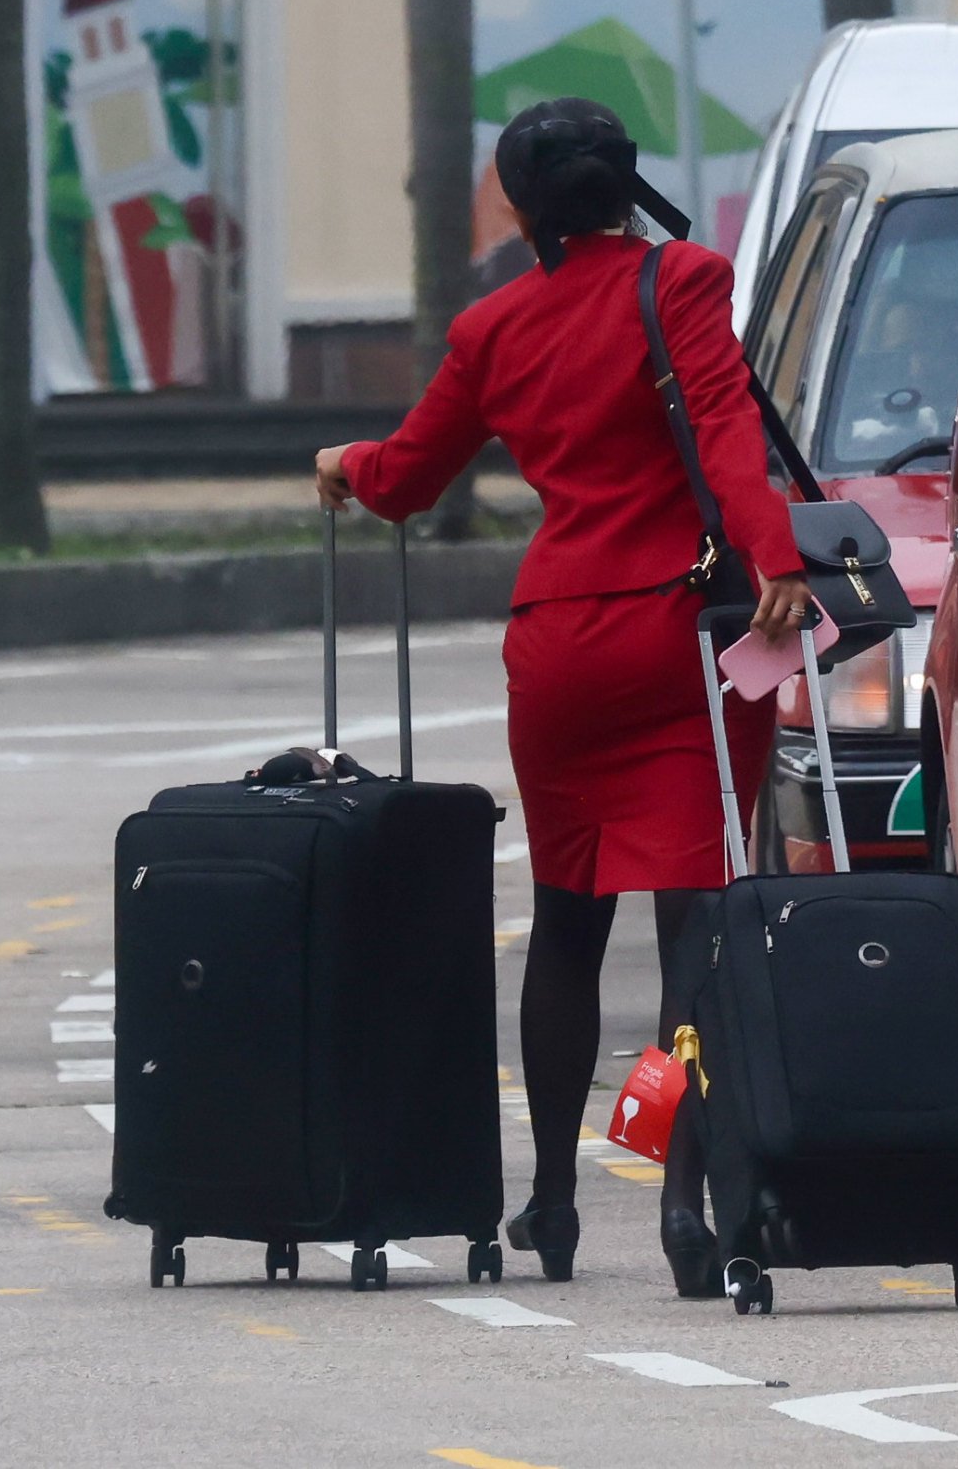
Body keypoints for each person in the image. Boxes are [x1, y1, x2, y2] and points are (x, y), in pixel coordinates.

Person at [316, 98, 808, 1294]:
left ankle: (551, 1202)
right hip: (674, 643)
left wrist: (346, 467)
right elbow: (732, 439)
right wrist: (779, 563)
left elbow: (410, 473)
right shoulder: (681, 279)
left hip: (557, 651)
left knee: (566, 925)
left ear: (525, 209)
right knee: (690, 945)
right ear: (627, 184)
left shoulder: (492, 325)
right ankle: (682, 1204)